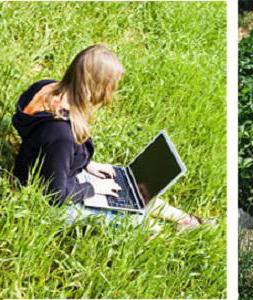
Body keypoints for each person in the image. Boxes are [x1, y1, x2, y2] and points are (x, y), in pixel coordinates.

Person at [12, 45, 203, 231]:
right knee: (143, 223)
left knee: (133, 191)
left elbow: (47, 149)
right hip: (53, 200)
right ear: (96, 88)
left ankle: (185, 219)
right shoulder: (61, 135)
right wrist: (93, 187)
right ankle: (177, 230)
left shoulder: (46, 87)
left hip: (57, 173)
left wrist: (87, 165)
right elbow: (54, 195)